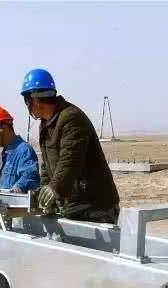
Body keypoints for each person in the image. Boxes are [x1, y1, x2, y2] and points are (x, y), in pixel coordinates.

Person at [20, 68, 120, 223]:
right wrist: (45, 191)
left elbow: (70, 160)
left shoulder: (71, 118)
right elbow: (47, 164)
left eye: (27, 101)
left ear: (35, 99)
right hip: (74, 206)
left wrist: (54, 188)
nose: (27, 106)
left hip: (95, 206)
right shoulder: (46, 124)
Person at [0, 105, 39, 193]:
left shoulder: (24, 151)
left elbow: (30, 178)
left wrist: (14, 191)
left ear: (1, 127)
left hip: (16, 202)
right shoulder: (6, 153)